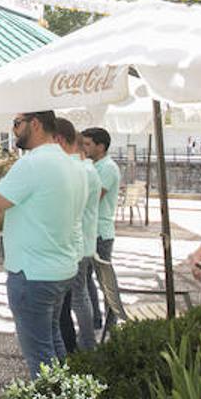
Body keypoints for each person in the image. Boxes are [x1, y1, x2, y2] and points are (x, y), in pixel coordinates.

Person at [0, 111, 88, 378]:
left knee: (41, 356)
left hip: (34, 273)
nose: (13, 130)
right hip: (61, 269)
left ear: (35, 124)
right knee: (53, 342)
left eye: (17, 124)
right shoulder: (72, 164)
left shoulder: (32, 164)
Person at [59, 139, 101, 354]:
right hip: (84, 241)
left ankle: (86, 342)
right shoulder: (88, 169)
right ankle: (86, 339)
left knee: (78, 296)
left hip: (80, 243)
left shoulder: (80, 170)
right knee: (81, 293)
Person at [81, 127, 120, 328]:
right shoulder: (94, 166)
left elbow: (94, 197)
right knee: (86, 280)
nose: (84, 148)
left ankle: (111, 323)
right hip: (91, 231)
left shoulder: (107, 168)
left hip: (101, 232)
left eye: (87, 144)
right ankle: (95, 319)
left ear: (101, 147)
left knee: (105, 281)